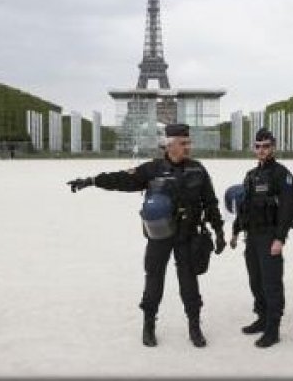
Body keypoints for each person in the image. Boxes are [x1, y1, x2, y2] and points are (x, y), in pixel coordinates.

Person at [67, 123, 226, 348]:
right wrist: (92, 180)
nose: (188, 147)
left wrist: (218, 230)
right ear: (169, 145)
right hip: (160, 235)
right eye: (183, 143)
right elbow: (122, 179)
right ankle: (149, 325)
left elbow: (210, 202)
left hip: (188, 234)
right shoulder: (152, 169)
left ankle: (194, 326)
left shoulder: (198, 169)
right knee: (154, 279)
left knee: (189, 282)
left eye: (188, 142)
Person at [231, 128, 293, 348]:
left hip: (270, 236)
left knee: (271, 283)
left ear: (273, 147)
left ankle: (273, 329)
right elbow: (244, 207)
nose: (261, 150)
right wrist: (235, 230)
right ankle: (262, 317)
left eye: (266, 146)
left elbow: (288, 210)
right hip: (252, 236)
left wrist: (280, 238)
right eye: (258, 146)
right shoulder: (251, 175)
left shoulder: (281, 174)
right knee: (255, 281)